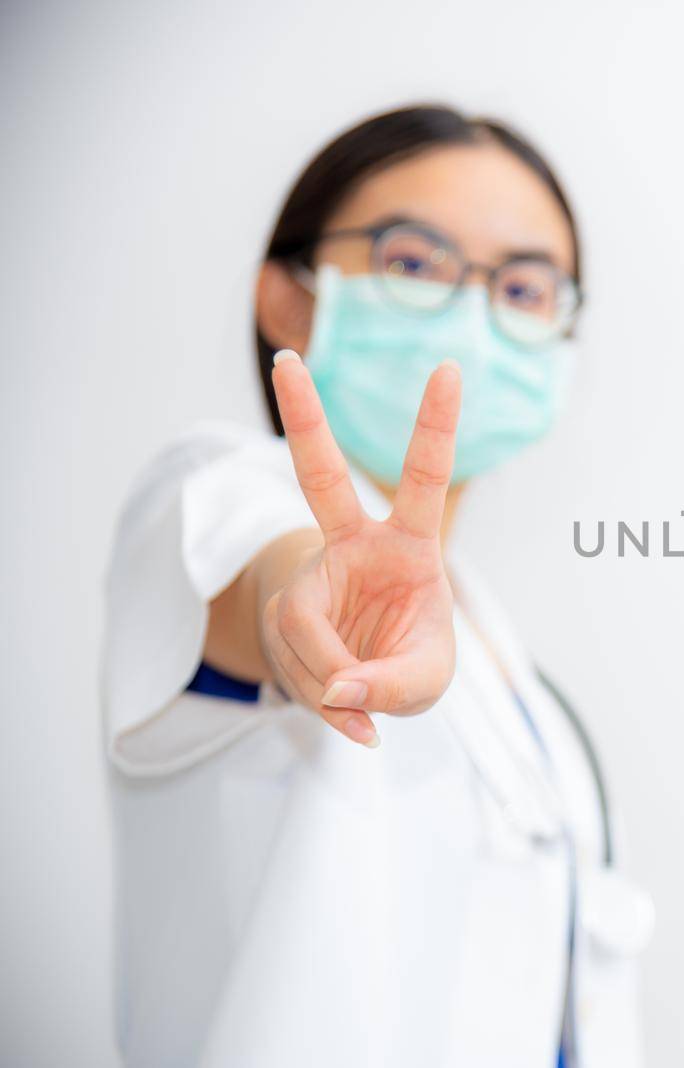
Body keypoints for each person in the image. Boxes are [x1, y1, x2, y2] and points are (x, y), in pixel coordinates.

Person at [101, 104, 651, 1068]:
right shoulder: (218, 491)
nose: (476, 316)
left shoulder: (507, 667)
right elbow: (269, 586)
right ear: (288, 297)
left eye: (525, 287)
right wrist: (307, 591)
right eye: (412, 262)